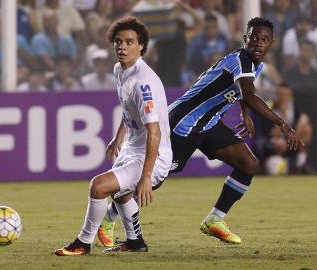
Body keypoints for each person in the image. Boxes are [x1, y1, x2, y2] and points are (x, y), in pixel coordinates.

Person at [97, 17, 303, 246]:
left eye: (264, 39)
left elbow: (244, 91)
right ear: (245, 39)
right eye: (253, 37)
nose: (258, 43)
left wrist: (244, 112)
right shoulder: (240, 61)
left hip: (208, 123)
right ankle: (108, 218)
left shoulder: (252, 65)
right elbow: (250, 93)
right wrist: (282, 123)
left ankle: (215, 219)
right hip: (183, 124)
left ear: (271, 43)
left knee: (248, 163)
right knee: (152, 179)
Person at [55, 16, 172, 256]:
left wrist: (147, 176)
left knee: (98, 187)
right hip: (133, 145)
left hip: (154, 153)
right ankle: (135, 243)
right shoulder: (120, 69)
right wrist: (119, 138)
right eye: (118, 42)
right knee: (121, 193)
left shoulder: (143, 83)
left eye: (129, 42)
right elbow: (129, 110)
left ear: (141, 46)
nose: (122, 47)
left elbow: (155, 132)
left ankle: (83, 243)